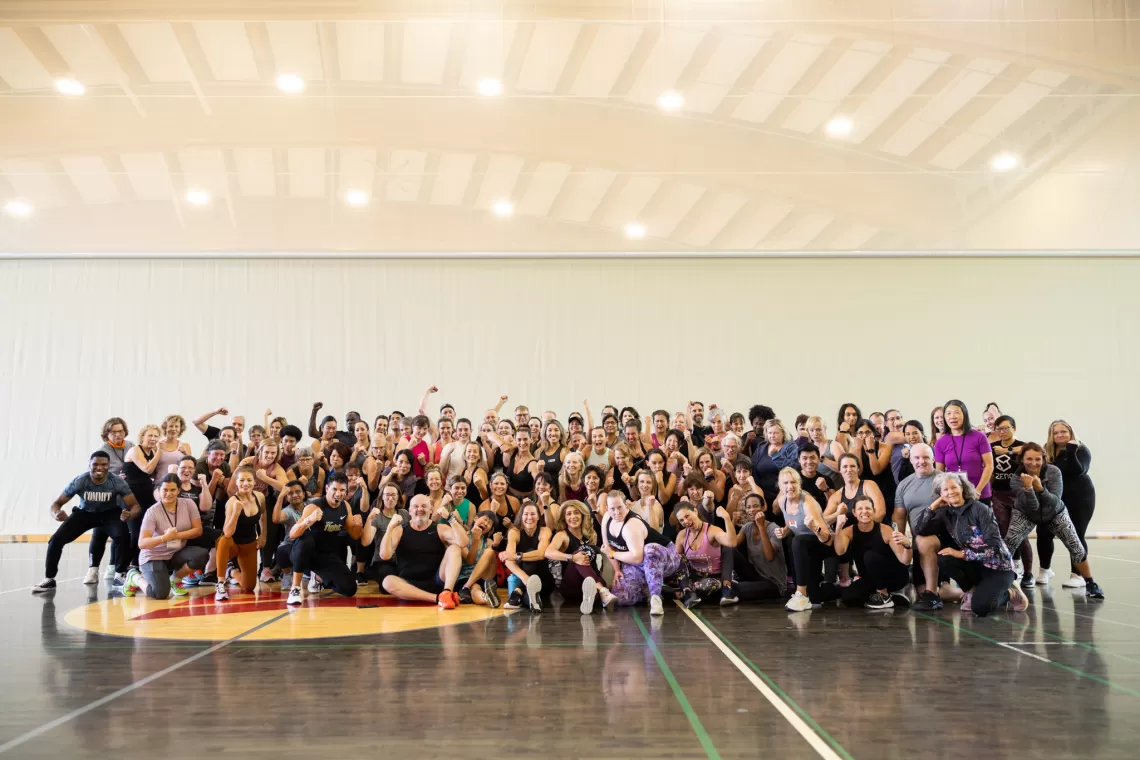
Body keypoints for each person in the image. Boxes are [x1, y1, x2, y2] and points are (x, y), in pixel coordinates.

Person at [914, 471, 1028, 617]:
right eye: (945, 490)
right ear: (940, 493)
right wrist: (933, 507)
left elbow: (993, 547)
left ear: (962, 488)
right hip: (975, 565)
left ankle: (1010, 593)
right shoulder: (945, 513)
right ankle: (971, 591)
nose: (951, 492)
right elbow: (920, 530)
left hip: (998, 567)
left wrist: (961, 554)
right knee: (944, 559)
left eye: (954, 487)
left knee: (980, 609)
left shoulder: (981, 509)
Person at [1007, 443, 1104, 598]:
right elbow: (1032, 506)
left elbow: (1054, 501)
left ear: (1044, 459)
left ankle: (1090, 583)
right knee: (1009, 542)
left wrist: (1040, 489)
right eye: (1029, 459)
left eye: (1037, 459)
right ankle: (1001, 582)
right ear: (1022, 459)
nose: (1033, 463)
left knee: (1075, 544)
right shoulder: (1016, 479)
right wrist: (1029, 489)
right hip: (1026, 512)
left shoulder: (1053, 472)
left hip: (1054, 512)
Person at [32, 452, 139, 592]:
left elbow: (136, 506)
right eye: (95, 464)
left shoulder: (116, 481)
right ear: (89, 465)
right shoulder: (81, 481)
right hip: (85, 513)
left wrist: (130, 514)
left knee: (123, 536)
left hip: (109, 514)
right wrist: (56, 514)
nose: (99, 467)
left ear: (108, 466)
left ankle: (119, 575)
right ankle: (49, 579)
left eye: (103, 464)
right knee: (55, 540)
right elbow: (56, 503)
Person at [120, 474, 207, 599]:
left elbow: (198, 530)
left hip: (175, 552)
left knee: (201, 555)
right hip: (154, 556)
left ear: (178, 490)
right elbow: (142, 543)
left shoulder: (189, 504)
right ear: (159, 490)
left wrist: (176, 535)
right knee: (159, 594)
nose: (168, 493)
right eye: (165, 490)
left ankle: (176, 579)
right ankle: (134, 577)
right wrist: (164, 538)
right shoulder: (152, 512)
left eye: (172, 490)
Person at [378, 494, 469, 609]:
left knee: (454, 548)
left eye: (424, 506)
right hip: (408, 584)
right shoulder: (400, 530)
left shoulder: (440, 528)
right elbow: (384, 555)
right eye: (416, 506)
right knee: (387, 581)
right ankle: (438, 598)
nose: (420, 509)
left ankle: (447, 592)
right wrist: (390, 528)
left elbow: (463, 542)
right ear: (410, 511)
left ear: (431, 510)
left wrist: (451, 519)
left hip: (437, 580)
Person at [285, 473, 362, 604]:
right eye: (335, 489)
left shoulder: (345, 507)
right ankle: (295, 588)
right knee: (306, 542)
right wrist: (308, 520)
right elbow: (292, 534)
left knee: (349, 589)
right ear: (327, 489)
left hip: (325, 555)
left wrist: (358, 525)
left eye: (342, 490)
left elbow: (354, 535)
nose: (338, 494)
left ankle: (318, 578)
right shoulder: (313, 507)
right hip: (301, 553)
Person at [600, 491, 681, 615]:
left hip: (666, 557)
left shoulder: (631, 525)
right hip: (637, 563)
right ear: (607, 508)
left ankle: (656, 598)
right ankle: (648, 590)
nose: (616, 512)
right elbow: (608, 547)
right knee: (621, 597)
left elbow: (637, 557)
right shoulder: (606, 518)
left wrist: (612, 554)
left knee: (649, 550)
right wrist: (617, 569)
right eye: (612, 509)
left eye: (620, 507)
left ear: (626, 505)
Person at [832, 497, 912, 609]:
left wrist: (908, 545)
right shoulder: (849, 531)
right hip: (871, 578)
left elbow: (905, 561)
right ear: (854, 513)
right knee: (849, 597)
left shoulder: (885, 530)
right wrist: (838, 527)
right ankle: (893, 597)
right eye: (860, 508)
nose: (864, 511)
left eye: (868, 508)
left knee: (870, 555)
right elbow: (840, 551)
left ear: (874, 512)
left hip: (894, 576)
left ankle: (883, 595)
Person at [1043, 419, 1096, 589]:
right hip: (1056, 498)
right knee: (1044, 532)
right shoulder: (1048, 450)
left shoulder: (1080, 449)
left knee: (1076, 534)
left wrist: (1071, 451)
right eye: (1056, 432)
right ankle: (1045, 569)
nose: (1059, 435)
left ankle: (1078, 575)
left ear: (1070, 433)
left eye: (1063, 432)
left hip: (1080, 497)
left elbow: (1078, 471)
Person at [893, 443, 946, 610]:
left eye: (925, 457)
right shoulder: (904, 485)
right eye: (916, 457)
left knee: (924, 541)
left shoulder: (944, 480)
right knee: (919, 591)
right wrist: (899, 542)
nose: (921, 461)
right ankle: (959, 594)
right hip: (918, 544)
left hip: (943, 538)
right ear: (910, 459)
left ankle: (931, 594)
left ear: (933, 459)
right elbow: (899, 516)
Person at [545, 500, 617, 613]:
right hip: (572, 586)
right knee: (577, 554)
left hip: (592, 582)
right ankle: (601, 591)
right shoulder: (562, 535)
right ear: (564, 518)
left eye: (576, 512)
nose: (573, 516)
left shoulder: (590, 534)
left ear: (582, 515)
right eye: (569, 514)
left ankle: (592, 596)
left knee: (591, 580)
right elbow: (548, 552)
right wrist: (573, 558)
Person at [989, 415, 1033, 586]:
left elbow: (1035, 451)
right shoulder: (991, 447)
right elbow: (991, 471)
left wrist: (1008, 451)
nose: (1002, 432)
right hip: (998, 494)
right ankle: (1011, 567)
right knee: (1004, 532)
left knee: (1021, 533)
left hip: (1018, 495)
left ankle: (1028, 573)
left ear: (1014, 428)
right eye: (999, 428)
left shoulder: (1022, 447)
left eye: (1006, 428)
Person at [88, 417, 134, 581]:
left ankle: (113, 567)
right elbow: (94, 474)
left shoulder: (131, 446)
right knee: (99, 532)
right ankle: (93, 569)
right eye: (113, 432)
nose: (117, 434)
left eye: (120, 431)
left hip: (125, 496)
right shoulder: (102, 451)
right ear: (106, 434)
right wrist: (114, 477)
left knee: (120, 532)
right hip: (106, 497)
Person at [214, 466, 267, 601]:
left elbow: (263, 515)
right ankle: (220, 584)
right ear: (236, 483)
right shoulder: (232, 502)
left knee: (249, 586)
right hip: (232, 543)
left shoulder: (259, 497)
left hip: (248, 543)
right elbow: (227, 532)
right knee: (223, 541)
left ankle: (231, 572)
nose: (245, 483)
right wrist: (236, 513)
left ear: (254, 482)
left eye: (249, 480)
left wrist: (263, 535)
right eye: (242, 480)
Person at [673, 500, 739, 607]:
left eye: (687, 516)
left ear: (695, 511)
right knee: (678, 558)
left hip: (713, 578)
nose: (685, 521)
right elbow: (675, 563)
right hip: (694, 577)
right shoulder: (682, 535)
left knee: (704, 585)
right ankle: (688, 592)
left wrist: (726, 518)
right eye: (681, 520)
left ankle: (688, 591)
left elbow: (732, 542)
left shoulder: (712, 531)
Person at [933, 400, 994, 503]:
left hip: (980, 493)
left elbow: (989, 465)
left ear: (964, 415)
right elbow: (940, 473)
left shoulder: (979, 436)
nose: (952, 416)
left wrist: (978, 491)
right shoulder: (940, 442)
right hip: (954, 495)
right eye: (948, 413)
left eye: (956, 412)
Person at [731, 492, 788, 601]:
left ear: (763, 508)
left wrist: (761, 526)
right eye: (748, 507)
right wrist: (733, 522)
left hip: (773, 583)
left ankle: (725, 586)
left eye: (756, 506)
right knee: (731, 551)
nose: (752, 510)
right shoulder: (747, 527)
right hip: (755, 575)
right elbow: (732, 544)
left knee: (737, 589)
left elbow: (769, 557)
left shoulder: (773, 528)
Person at [121, 424, 163, 571]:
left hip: (147, 494)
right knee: (134, 531)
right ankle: (128, 565)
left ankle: (141, 561)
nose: (153, 439)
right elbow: (147, 468)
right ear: (142, 437)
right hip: (131, 496)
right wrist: (160, 451)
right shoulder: (134, 450)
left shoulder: (152, 452)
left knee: (148, 530)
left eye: (156, 436)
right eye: (150, 435)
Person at [501, 501, 554, 611]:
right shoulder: (514, 532)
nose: (529, 517)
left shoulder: (545, 531)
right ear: (521, 516)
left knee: (531, 551)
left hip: (545, 580)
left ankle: (518, 592)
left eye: (533, 514)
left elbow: (541, 554)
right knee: (530, 597)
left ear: (538, 517)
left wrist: (517, 556)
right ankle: (530, 600)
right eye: (526, 514)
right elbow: (508, 560)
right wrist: (526, 579)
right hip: (524, 579)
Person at [453, 511, 502, 607]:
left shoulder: (488, 541)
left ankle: (468, 588)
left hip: (482, 576)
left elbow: (491, 563)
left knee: (490, 551)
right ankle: (487, 598)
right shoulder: (463, 537)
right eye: (485, 519)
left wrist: (495, 545)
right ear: (475, 518)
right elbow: (469, 561)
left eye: (489, 523)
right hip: (464, 576)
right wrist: (476, 539)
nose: (486, 523)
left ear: (490, 531)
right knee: (475, 588)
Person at [848, 418, 896, 509]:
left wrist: (870, 450)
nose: (864, 436)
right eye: (860, 433)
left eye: (867, 432)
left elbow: (876, 470)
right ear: (856, 435)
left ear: (873, 433)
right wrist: (858, 449)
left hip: (885, 489)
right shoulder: (853, 449)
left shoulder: (884, 448)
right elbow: (858, 472)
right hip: (865, 492)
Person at [750, 419, 799, 506]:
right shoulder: (762, 447)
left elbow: (795, 468)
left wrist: (776, 455)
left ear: (783, 433)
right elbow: (752, 466)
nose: (772, 435)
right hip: (761, 493)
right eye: (770, 433)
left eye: (776, 433)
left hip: (783, 494)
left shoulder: (791, 447)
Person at [270, 481, 307, 590]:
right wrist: (280, 497)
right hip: (292, 544)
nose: (295, 495)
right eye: (290, 493)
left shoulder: (312, 504)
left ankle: (312, 573)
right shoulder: (288, 511)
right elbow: (276, 519)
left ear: (304, 493)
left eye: (298, 491)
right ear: (287, 497)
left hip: (310, 544)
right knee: (281, 550)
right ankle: (287, 574)